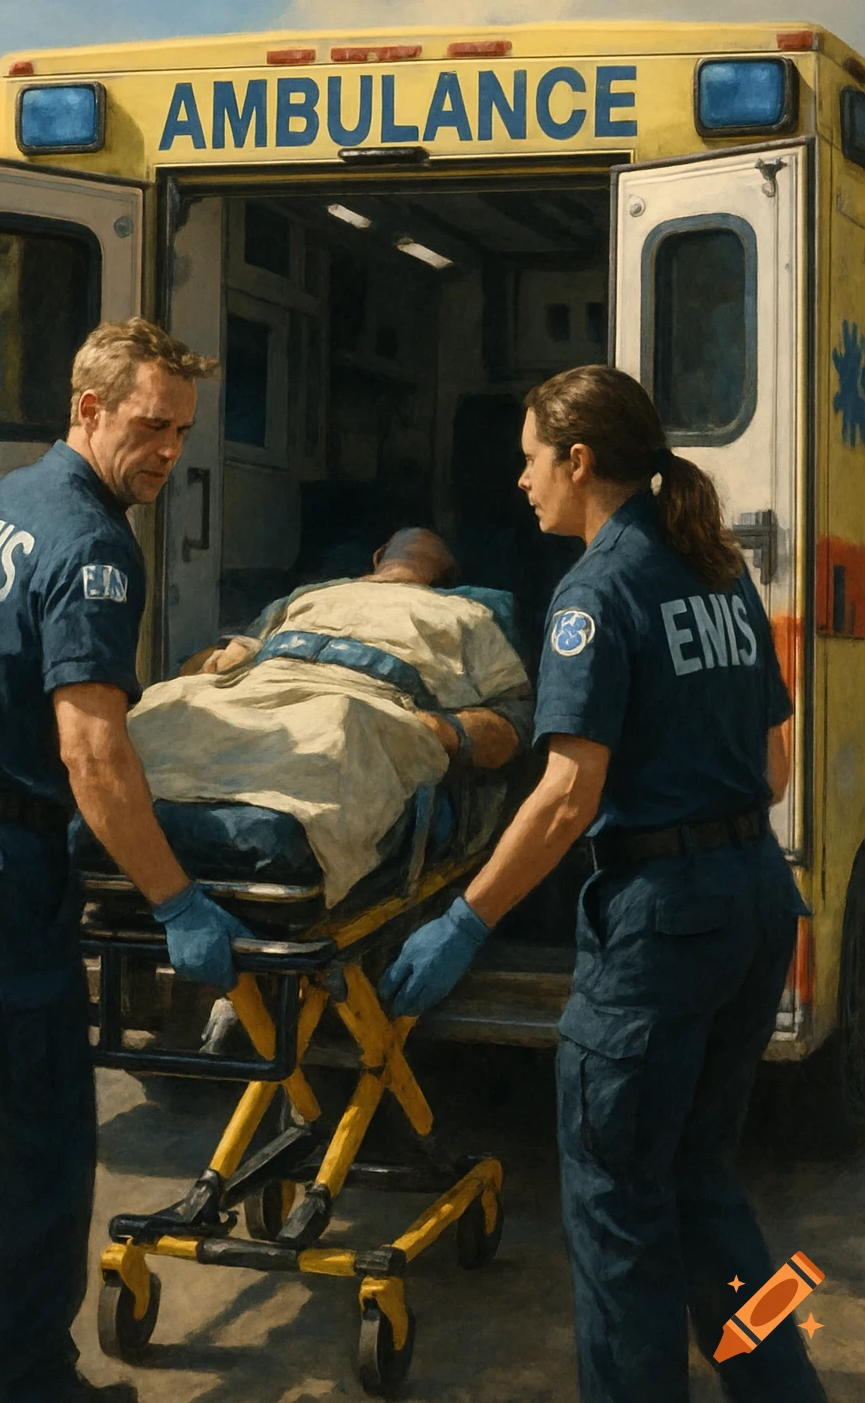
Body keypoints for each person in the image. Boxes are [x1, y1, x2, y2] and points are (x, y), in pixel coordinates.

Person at [380, 365, 827, 1403]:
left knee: (619, 1217)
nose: (524, 482)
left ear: (579, 461)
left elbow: (565, 798)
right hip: (751, 903)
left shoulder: (595, 591)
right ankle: (782, 1386)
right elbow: (772, 767)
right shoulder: (715, 572)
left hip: (659, 934)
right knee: (705, 1187)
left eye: (533, 459)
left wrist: (464, 921)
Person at [0, 319, 252, 1403]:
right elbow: (92, 750)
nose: (168, 450)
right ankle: (23, 1383)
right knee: (47, 1143)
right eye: (150, 425)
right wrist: (179, 900)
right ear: (89, 410)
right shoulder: (96, 545)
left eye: (182, 431)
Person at [125, 528, 534, 904]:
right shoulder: (306, 598)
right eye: (405, 544)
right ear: (377, 556)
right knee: (166, 705)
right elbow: (200, 665)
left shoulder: (470, 616)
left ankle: (264, 822)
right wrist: (225, 656)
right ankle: (121, 820)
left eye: (428, 552)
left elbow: (512, 722)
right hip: (262, 685)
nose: (413, 552)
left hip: (357, 701)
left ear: (447, 577)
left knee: (335, 729)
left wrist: (441, 732)